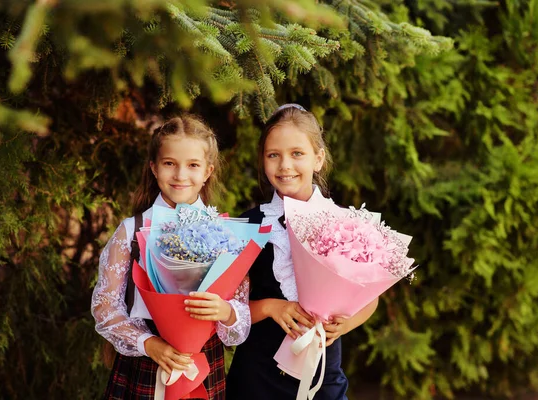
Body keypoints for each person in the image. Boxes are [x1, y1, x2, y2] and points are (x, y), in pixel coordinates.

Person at [91, 115, 250, 400]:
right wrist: (148, 343)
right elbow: (105, 307)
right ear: (153, 167)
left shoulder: (227, 235)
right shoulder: (132, 230)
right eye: (169, 163)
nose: (180, 175)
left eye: (192, 165)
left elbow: (240, 316)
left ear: (207, 172)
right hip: (147, 359)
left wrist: (225, 312)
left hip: (203, 360)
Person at [226, 104, 379, 399]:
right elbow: (227, 310)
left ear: (318, 159)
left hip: (321, 377)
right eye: (274, 155)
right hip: (256, 380)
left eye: (297, 153)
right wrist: (271, 307)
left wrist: (346, 324)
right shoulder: (247, 225)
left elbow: (371, 298)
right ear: (263, 160)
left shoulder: (346, 224)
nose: (285, 165)